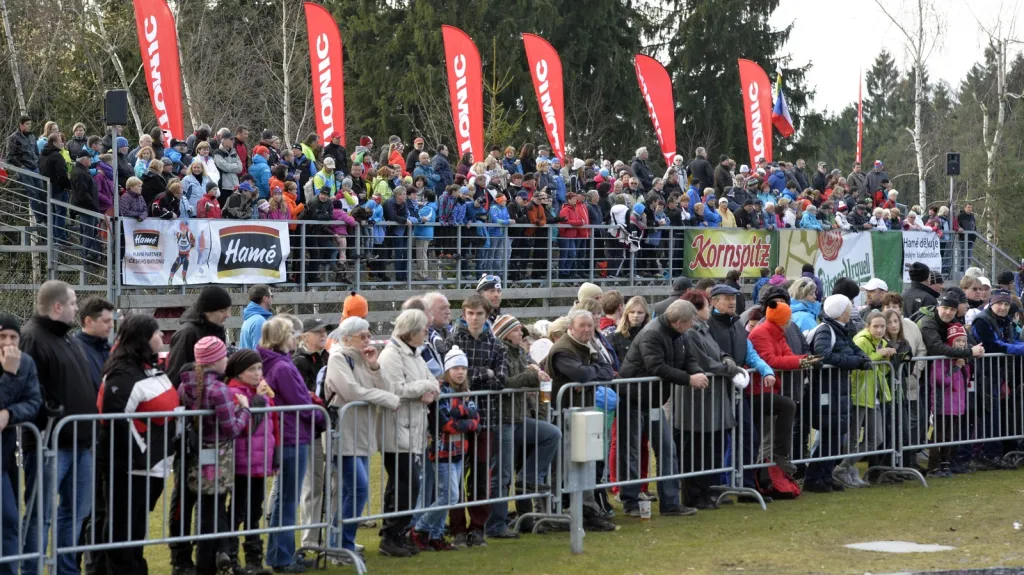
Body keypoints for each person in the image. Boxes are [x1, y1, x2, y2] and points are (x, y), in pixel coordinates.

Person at [19, 282, 96, 575]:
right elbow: (29, 386)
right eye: (74, 303)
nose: (77, 309)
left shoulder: (68, 340)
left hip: (80, 443)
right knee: (40, 515)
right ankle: (32, 569)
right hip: (48, 443)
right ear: (58, 307)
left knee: (75, 514)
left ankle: (66, 570)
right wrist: (50, 410)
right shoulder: (32, 338)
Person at [95, 315, 178, 574]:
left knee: (136, 528)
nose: (161, 336)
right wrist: (139, 454)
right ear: (143, 337)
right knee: (122, 529)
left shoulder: (150, 368)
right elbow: (115, 421)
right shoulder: (122, 374)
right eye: (156, 333)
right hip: (130, 469)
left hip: (152, 466)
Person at [321, 319, 398, 565]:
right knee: (359, 488)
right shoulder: (338, 358)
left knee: (353, 490)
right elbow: (352, 392)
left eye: (368, 335)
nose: (367, 340)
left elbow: (387, 385)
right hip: (343, 433)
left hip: (363, 433)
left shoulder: (365, 357)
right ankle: (339, 545)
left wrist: (375, 365)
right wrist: (386, 398)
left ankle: (341, 543)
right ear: (347, 338)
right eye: (362, 336)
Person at [616, 301, 703, 517]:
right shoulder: (652, 333)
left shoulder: (680, 334)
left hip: (654, 400)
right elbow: (656, 366)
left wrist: (697, 373)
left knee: (667, 449)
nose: (692, 326)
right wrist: (688, 379)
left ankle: (670, 502)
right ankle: (631, 501)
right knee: (632, 451)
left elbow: (688, 358)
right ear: (678, 322)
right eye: (690, 323)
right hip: (634, 398)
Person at [177, 336, 251, 574]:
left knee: (206, 509)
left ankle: (206, 562)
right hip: (219, 455)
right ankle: (206, 564)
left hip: (196, 454)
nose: (227, 360)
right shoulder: (218, 389)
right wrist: (245, 410)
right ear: (216, 360)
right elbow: (232, 428)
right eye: (224, 356)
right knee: (212, 511)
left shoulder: (185, 385)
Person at [258, 317, 326, 572]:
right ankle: (281, 556)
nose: (295, 339)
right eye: (291, 335)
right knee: (288, 499)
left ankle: (280, 553)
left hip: (288, 433)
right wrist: (322, 416)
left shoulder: (273, 363)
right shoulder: (282, 367)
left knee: (285, 498)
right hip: (292, 435)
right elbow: (301, 402)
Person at [543, 310, 618, 531]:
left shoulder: (589, 345)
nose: (587, 330)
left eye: (589, 326)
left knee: (586, 460)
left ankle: (587, 511)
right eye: (582, 326)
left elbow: (607, 369)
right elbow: (583, 374)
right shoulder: (563, 349)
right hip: (562, 415)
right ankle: (556, 512)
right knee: (561, 465)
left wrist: (589, 373)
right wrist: (588, 374)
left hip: (582, 414)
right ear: (571, 328)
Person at [489, 314, 560, 536]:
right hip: (503, 419)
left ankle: (530, 478)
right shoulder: (497, 352)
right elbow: (505, 384)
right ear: (505, 333)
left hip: (519, 418)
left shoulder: (519, 352)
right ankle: (496, 524)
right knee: (501, 475)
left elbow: (521, 378)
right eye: (518, 330)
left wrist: (534, 373)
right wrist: (531, 376)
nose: (522, 334)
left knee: (552, 434)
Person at [377, 309, 440, 556]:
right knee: (405, 485)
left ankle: (396, 535)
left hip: (414, 428)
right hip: (396, 429)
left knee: (406, 485)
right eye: (424, 329)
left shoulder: (416, 354)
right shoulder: (392, 355)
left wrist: (429, 388)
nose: (426, 333)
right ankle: (391, 535)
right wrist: (425, 388)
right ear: (412, 331)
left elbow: (435, 382)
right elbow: (397, 388)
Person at [675, 291, 743, 508]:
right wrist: (727, 368)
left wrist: (727, 360)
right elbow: (703, 362)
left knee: (711, 447)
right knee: (697, 450)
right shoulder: (691, 333)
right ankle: (695, 494)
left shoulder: (703, 330)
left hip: (712, 398)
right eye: (706, 305)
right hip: (697, 402)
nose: (709, 309)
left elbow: (718, 352)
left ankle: (707, 491)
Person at [410, 346, 479, 552]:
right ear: (448, 370)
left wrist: (461, 414)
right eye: (456, 367)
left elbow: (476, 420)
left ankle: (436, 535)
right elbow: (446, 424)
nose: (460, 372)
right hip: (441, 451)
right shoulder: (441, 391)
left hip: (459, 451)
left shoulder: (466, 391)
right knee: (448, 496)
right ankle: (419, 529)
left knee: (449, 496)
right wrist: (464, 415)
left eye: (463, 368)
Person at [804, 295, 872, 492]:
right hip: (826, 388)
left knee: (835, 435)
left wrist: (862, 359)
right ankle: (814, 477)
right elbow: (824, 355)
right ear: (842, 311)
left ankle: (825, 475)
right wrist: (856, 362)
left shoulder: (839, 330)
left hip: (837, 388)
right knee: (829, 433)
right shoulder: (826, 330)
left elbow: (853, 348)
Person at [222, 350, 276, 575]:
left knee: (254, 511)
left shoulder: (260, 393)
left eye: (259, 369)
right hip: (241, 464)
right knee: (237, 511)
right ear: (239, 372)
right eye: (251, 369)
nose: (257, 373)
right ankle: (231, 559)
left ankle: (254, 560)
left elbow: (272, 423)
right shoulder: (235, 394)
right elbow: (241, 427)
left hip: (259, 462)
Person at [746, 299, 814, 475]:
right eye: (788, 319)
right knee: (786, 407)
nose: (791, 322)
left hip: (767, 389)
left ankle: (765, 476)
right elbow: (771, 360)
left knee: (764, 438)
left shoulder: (776, 333)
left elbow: (788, 356)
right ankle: (779, 455)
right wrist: (803, 362)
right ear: (783, 320)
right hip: (755, 390)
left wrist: (806, 360)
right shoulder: (762, 333)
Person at [831, 311, 894, 488]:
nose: (880, 330)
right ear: (868, 326)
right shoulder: (861, 340)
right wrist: (879, 355)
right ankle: (846, 471)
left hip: (873, 396)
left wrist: (885, 358)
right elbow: (859, 363)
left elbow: (882, 371)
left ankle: (844, 468)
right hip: (858, 394)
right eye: (876, 326)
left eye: (883, 326)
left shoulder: (881, 342)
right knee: (852, 437)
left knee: (876, 438)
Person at [0, 313, 41, 573]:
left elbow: (33, 401)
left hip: (7, 452)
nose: (8, 342)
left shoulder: (25, 362)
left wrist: (10, 414)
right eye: (2, 337)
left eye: (13, 337)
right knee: (9, 517)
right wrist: (8, 375)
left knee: (10, 519)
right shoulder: (14, 367)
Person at [294, 317, 330, 551]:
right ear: (304, 336)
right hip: (310, 431)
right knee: (313, 486)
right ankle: (310, 540)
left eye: (324, 331)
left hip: (329, 426)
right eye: (317, 332)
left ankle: (331, 537)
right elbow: (306, 395)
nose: (323, 335)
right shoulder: (298, 361)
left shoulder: (328, 357)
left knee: (334, 485)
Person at [927, 324, 971, 478]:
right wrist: (956, 369)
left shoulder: (961, 358)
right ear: (951, 341)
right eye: (958, 341)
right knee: (937, 436)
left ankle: (945, 463)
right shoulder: (942, 358)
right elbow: (941, 380)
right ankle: (933, 465)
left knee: (949, 436)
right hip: (942, 404)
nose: (961, 344)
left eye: (963, 341)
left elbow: (965, 381)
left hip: (956, 404)